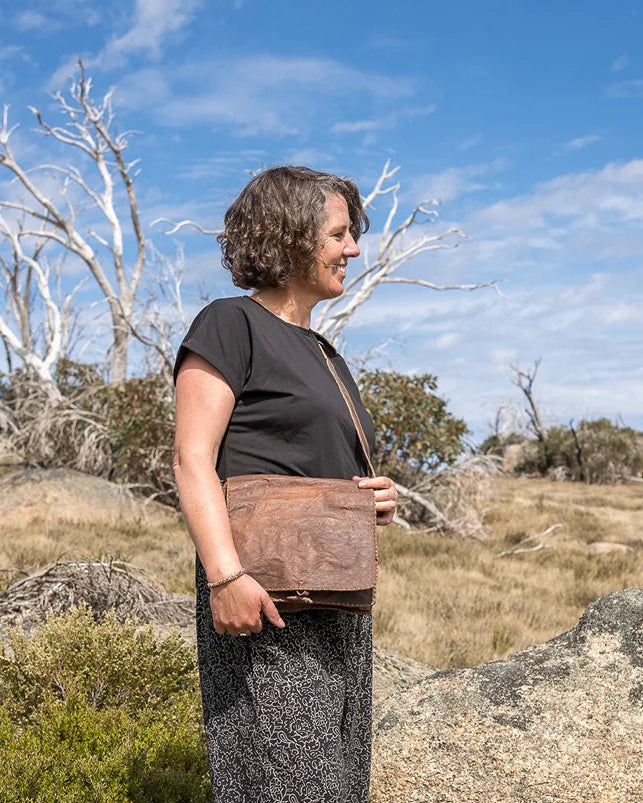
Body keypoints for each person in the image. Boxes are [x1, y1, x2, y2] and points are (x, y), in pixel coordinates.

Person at [173, 165, 398, 803]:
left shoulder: (325, 352)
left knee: (338, 781)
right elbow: (193, 460)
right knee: (283, 781)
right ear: (291, 237)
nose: (353, 248)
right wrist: (225, 578)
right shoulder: (229, 323)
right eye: (338, 234)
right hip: (263, 596)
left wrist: (373, 497)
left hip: (338, 598)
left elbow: (311, 465)